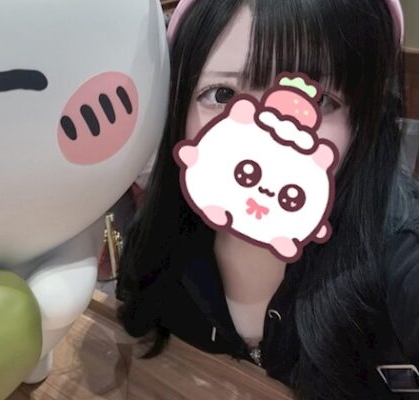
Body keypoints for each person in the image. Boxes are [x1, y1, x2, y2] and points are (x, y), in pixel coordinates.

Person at [116, 0, 419, 398]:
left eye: (320, 102)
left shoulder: (401, 257)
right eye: (222, 94)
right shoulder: (157, 243)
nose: (264, 146)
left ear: (365, 120)